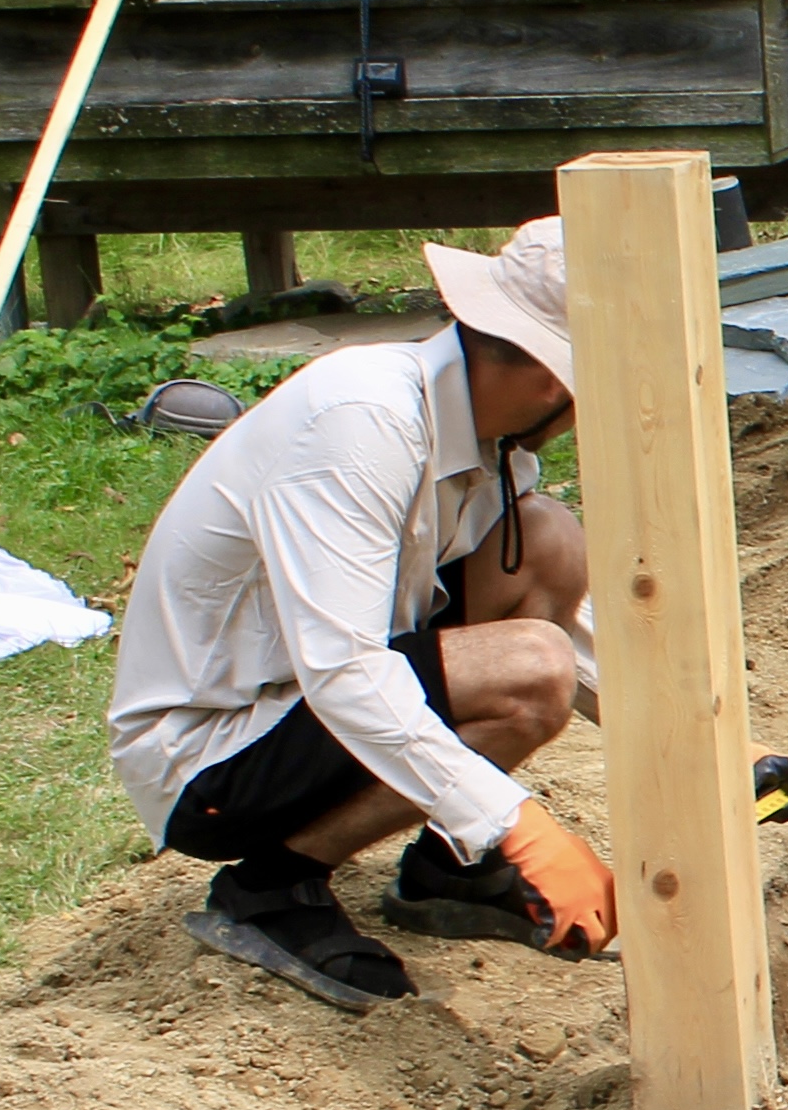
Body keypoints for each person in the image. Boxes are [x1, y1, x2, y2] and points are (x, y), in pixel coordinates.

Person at [106, 215, 623, 1011]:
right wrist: (512, 823)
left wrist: (693, 740)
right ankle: (272, 888)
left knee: (547, 539)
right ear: (556, 383)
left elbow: (550, 619)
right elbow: (345, 671)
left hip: (311, 701)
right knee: (531, 673)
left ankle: (448, 868)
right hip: (212, 755)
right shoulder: (360, 426)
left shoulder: (483, 438)